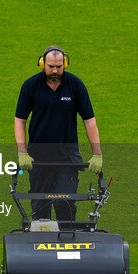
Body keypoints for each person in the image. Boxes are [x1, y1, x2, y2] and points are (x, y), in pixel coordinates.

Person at [14, 46, 102, 222]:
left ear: (65, 64)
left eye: (59, 67)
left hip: (67, 158)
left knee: (65, 202)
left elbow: (89, 121)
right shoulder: (30, 86)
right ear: (42, 64)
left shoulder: (76, 86)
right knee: (40, 205)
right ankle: (40, 245)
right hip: (38, 159)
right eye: (51, 66)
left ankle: (68, 240)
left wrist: (97, 154)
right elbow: (20, 121)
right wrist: (22, 152)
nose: (55, 71)